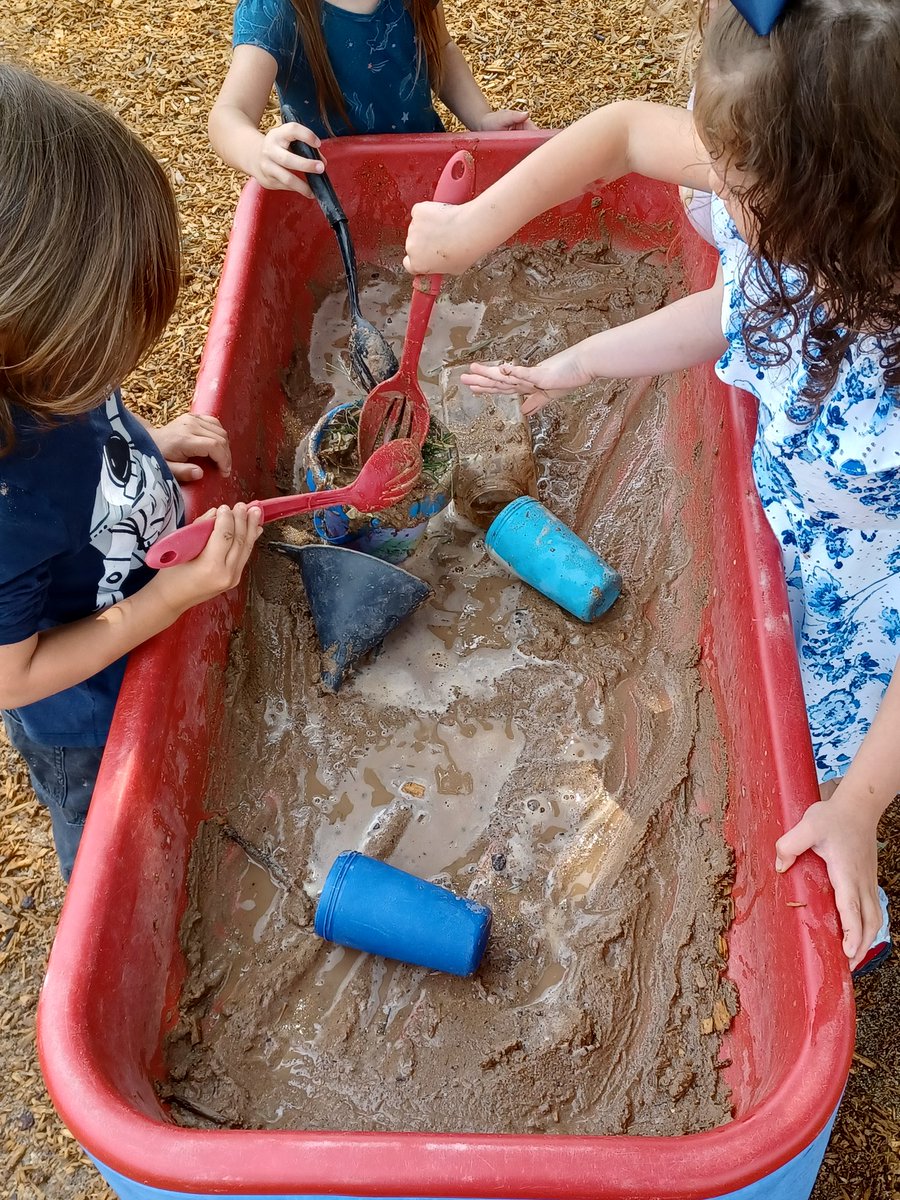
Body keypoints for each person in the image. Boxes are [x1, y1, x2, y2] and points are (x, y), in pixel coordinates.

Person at [403, 0, 900, 978]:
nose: (717, 198)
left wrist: (857, 809)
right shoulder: (801, 236)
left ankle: (859, 906)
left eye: (739, 183)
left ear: (842, 203)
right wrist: (574, 366)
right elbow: (737, 307)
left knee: (827, 771)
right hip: (790, 547)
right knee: (771, 706)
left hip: (864, 612)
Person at [0, 65, 263, 881]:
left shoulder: (44, 367)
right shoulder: (8, 504)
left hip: (144, 611)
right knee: (114, 846)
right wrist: (172, 597)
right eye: (108, 342)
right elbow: (17, 673)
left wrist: (147, 436)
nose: (121, 360)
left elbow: (90, 426)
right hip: (87, 723)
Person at [208, 0, 536, 198]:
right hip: (335, 198)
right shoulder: (276, 10)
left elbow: (441, 50)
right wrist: (256, 152)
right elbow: (228, 113)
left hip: (427, 176)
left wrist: (480, 119)